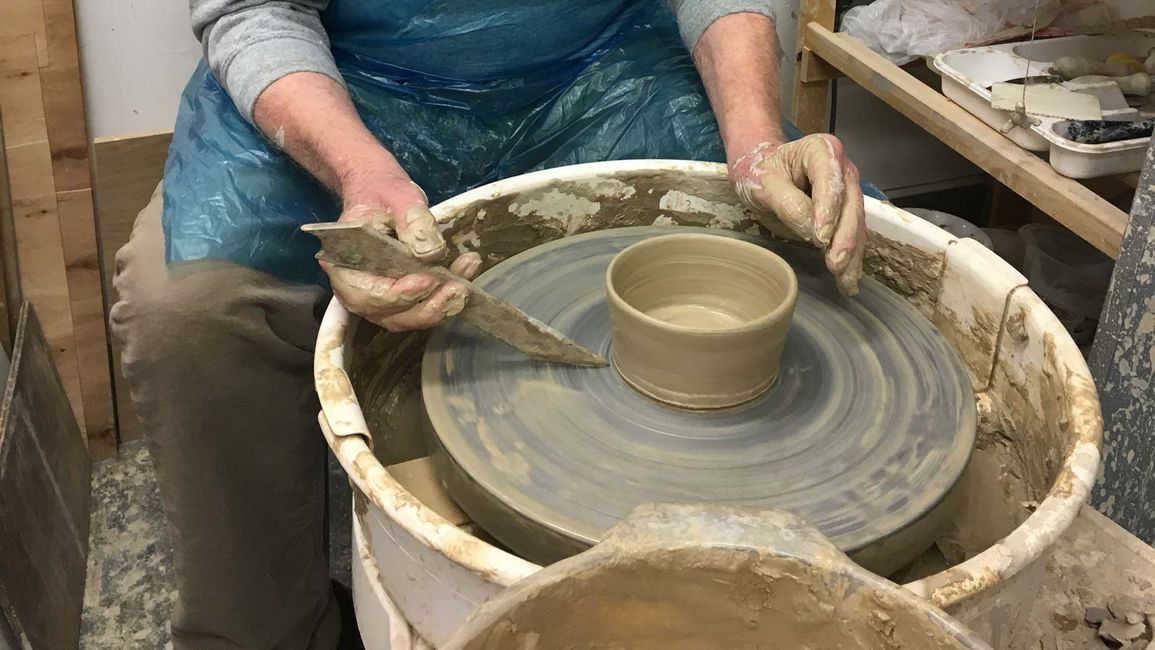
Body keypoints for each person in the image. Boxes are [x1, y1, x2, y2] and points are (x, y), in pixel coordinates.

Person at [110, 0, 873, 647]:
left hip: (598, 71)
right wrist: (358, 172)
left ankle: (703, 593)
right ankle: (275, 631)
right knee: (190, 318)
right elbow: (255, 9)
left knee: (761, 240)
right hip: (353, 81)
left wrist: (753, 141)